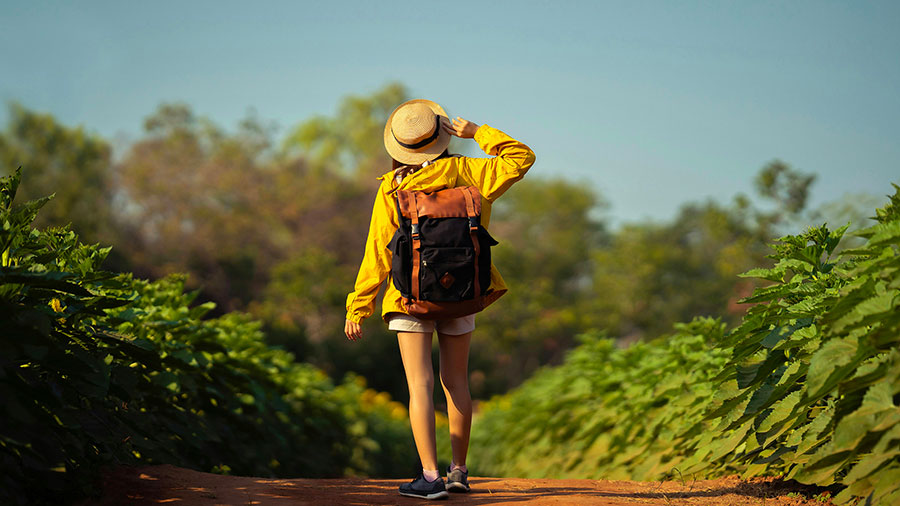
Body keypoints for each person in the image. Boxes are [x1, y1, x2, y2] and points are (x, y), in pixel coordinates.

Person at [344, 99, 535, 500]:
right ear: (441, 136)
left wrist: (358, 306)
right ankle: (459, 472)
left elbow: (378, 250)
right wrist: (475, 132)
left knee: (420, 385)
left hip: (409, 297)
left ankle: (429, 479)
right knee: (456, 382)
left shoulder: (393, 188)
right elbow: (522, 157)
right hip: (465, 293)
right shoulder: (473, 173)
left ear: (400, 146)